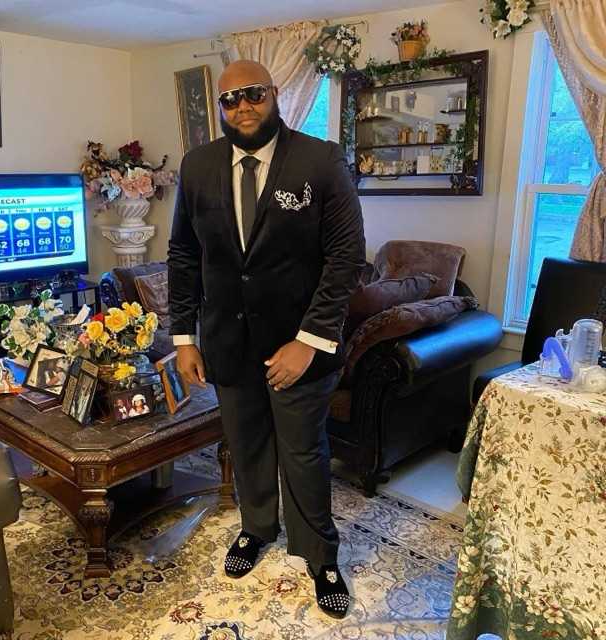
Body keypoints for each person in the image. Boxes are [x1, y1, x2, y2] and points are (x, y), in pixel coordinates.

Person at [168, 60, 365, 619]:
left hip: (297, 347)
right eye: (230, 100)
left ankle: (320, 555)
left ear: (274, 95)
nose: (242, 107)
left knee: (303, 452)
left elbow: (346, 257)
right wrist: (184, 337)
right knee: (246, 444)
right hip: (227, 342)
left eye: (252, 94)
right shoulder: (198, 165)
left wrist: (309, 340)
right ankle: (256, 528)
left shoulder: (319, 160)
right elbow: (184, 253)